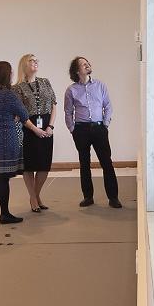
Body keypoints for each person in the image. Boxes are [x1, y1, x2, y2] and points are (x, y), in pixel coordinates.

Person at [0, 60, 46, 224]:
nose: (13, 74)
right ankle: (4, 214)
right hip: (8, 138)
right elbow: (24, 113)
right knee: (3, 177)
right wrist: (17, 115)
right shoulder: (8, 94)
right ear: (6, 75)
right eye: (11, 72)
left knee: (1, 176)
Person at [64, 55, 121, 208]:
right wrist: (72, 129)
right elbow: (68, 111)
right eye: (83, 64)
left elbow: (108, 106)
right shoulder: (71, 90)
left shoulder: (100, 86)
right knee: (84, 163)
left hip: (99, 128)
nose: (87, 65)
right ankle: (88, 197)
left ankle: (113, 197)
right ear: (77, 71)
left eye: (88, 63)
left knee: (106, 162)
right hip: (81, 130)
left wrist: (105, 124)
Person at [13, 53, 56, 213]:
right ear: (24, 64)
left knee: (44, 165)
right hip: (28, 127)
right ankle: (33, 198)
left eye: (37, 60)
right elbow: (20, 113)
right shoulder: (17, 88)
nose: (36, 62)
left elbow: (53, 105)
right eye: (32, 60)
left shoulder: (45, 82)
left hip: (46, 126)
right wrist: (34, 129)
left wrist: (50, 126)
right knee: (30, 166)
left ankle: (35, 195)